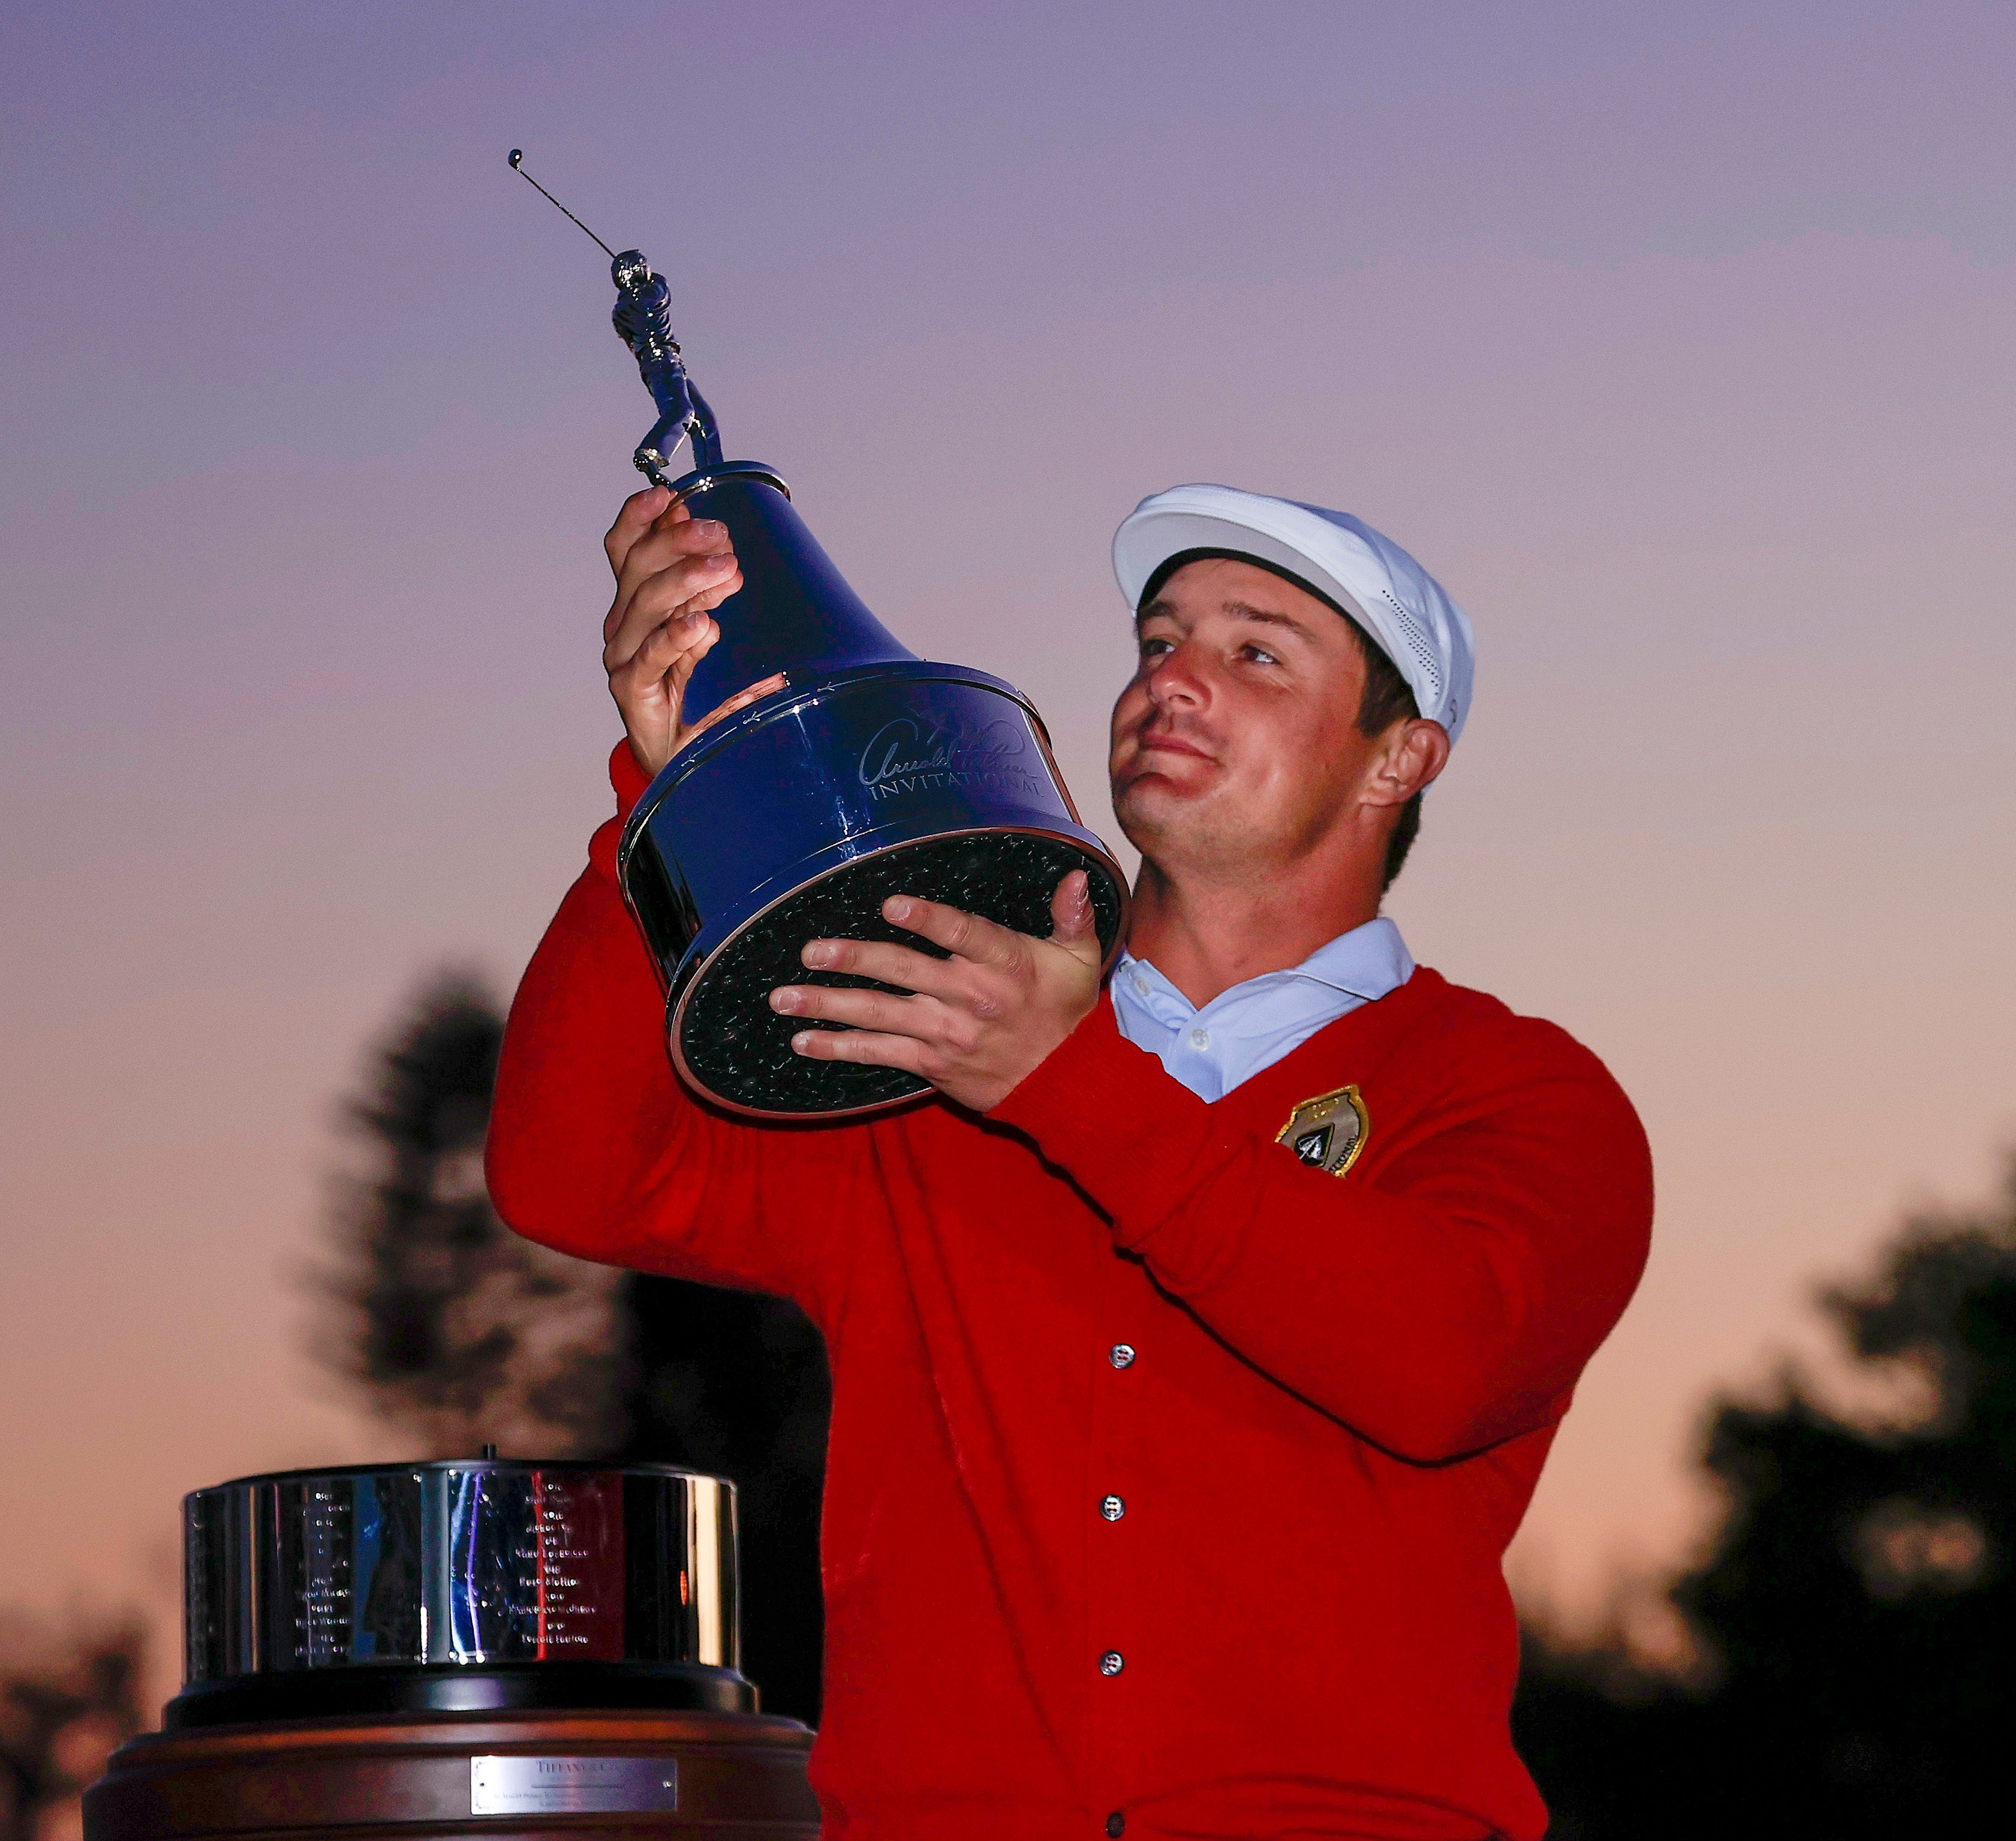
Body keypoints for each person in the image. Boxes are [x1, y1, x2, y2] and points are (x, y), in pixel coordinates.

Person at [487, 480, 1652, 1841]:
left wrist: (1065, 1082)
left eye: (1253, 651)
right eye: (1157, 642)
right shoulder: (922, 1055)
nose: (1173, 680)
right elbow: (567, 1173)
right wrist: (680, 781)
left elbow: (1446, 1360)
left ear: (1398, 756)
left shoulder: (1515, 1089)